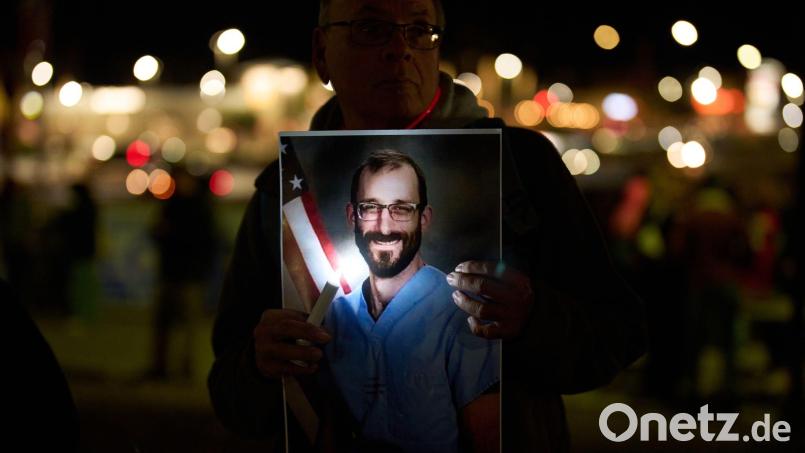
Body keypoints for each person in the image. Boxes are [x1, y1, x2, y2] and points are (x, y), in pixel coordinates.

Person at [208, 1, 648, 451]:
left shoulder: (523, 167)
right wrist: (260, 368)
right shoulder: (280, 197)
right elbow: (229, 394)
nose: (400, 48)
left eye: (419, 29)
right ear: (322, 52)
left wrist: (534, 318)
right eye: (370, 27)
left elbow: (618, 335)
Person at [319, 150, 499, 452]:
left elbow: (487, 440)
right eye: (370, 208)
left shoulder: (461, 312)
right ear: (352, 216)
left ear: (423, 218)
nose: (385, 226)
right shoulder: (334, 316)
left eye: (401, 209)